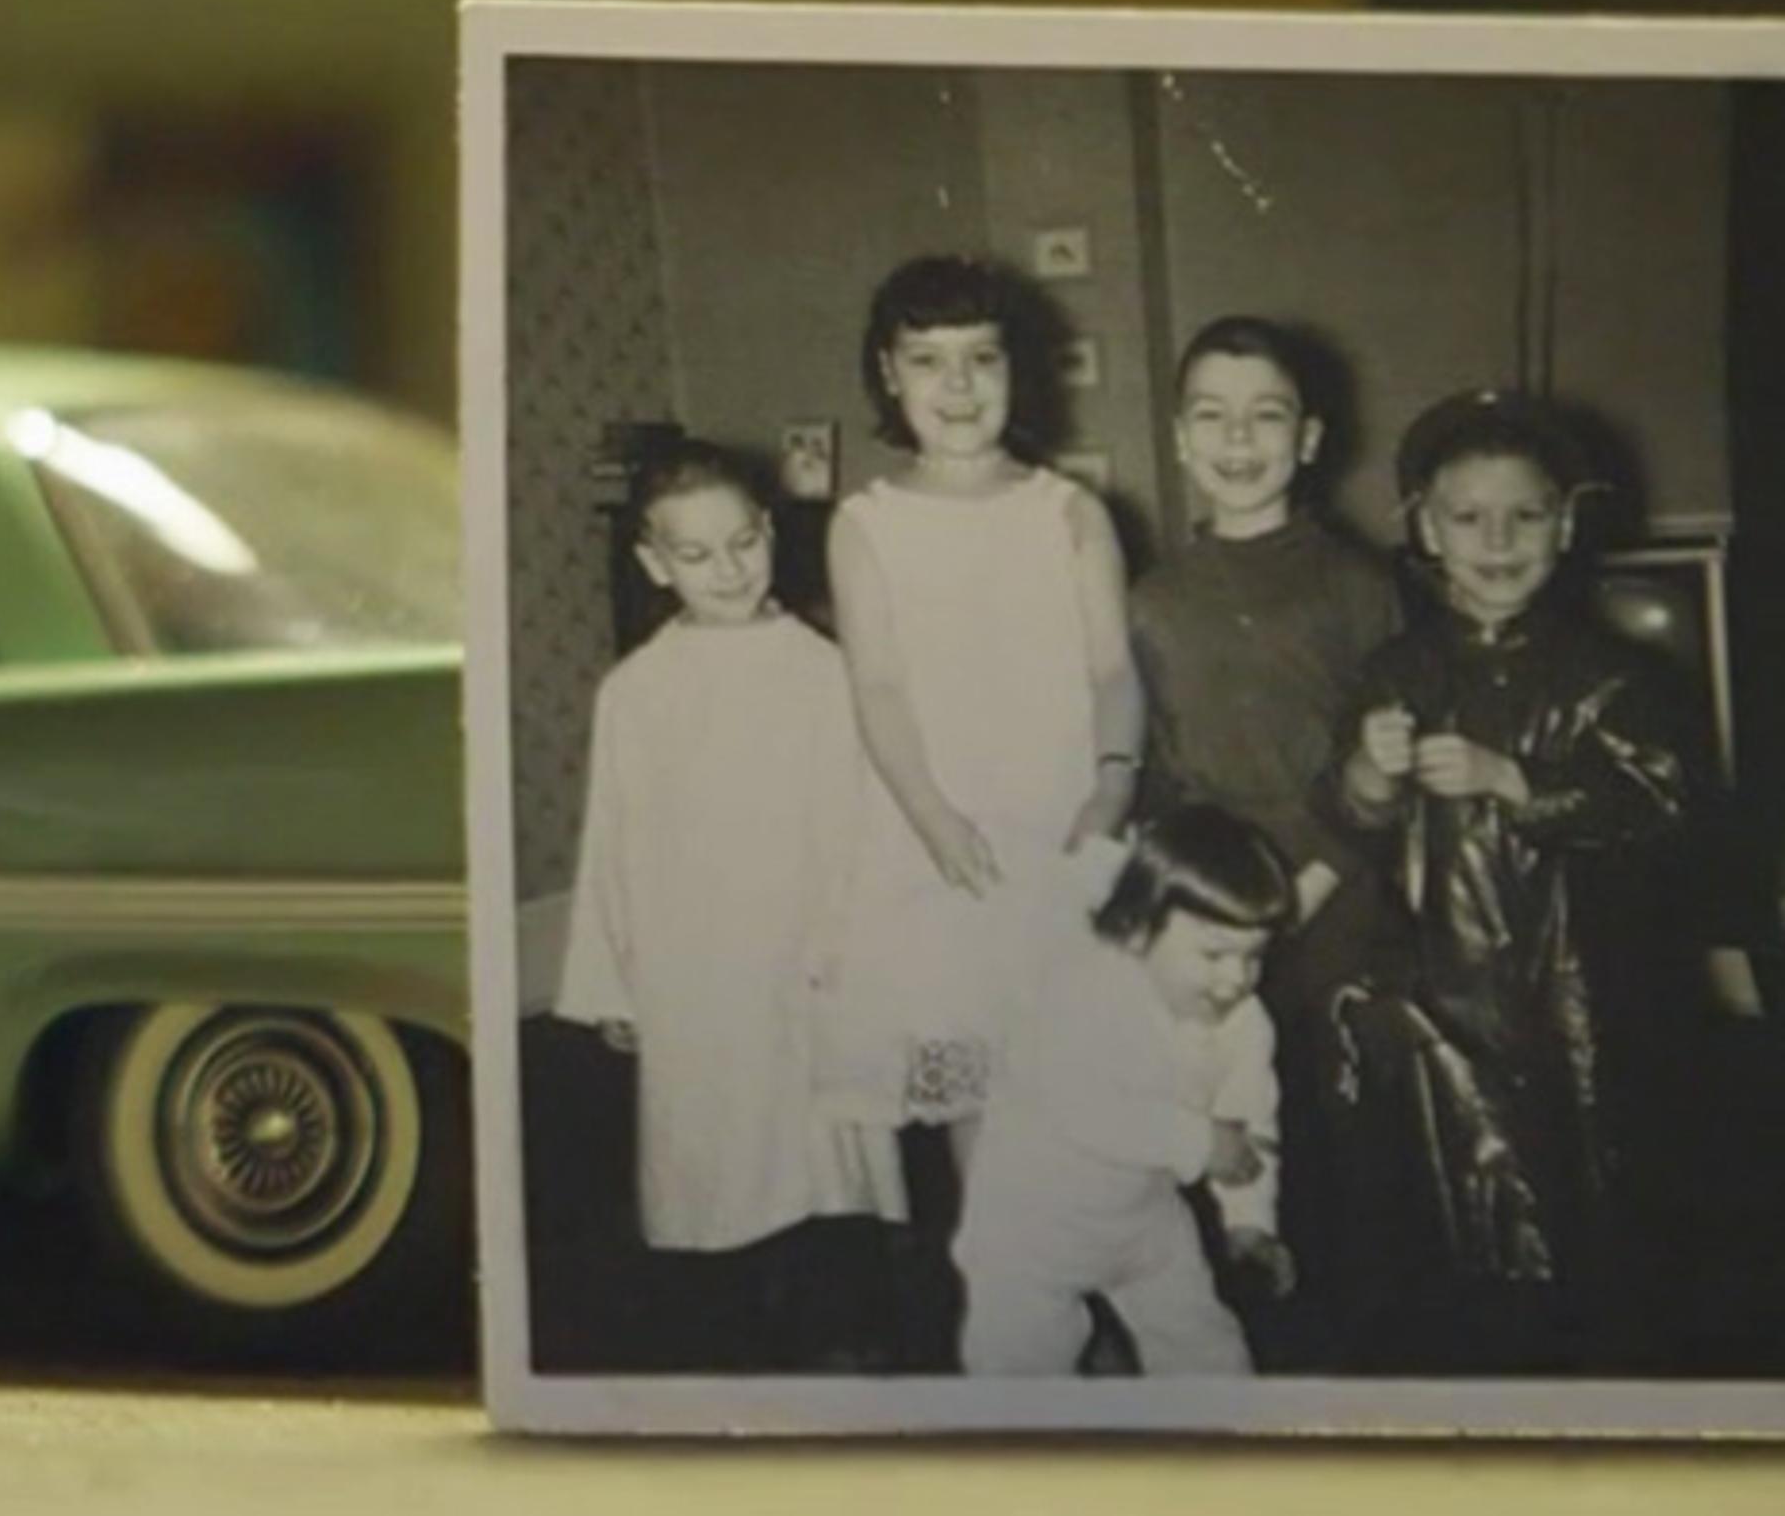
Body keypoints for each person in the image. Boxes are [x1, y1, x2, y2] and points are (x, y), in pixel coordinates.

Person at [1331, 389, 1704, 1373]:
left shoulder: (1609, 674)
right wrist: (1370, 770)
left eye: (1526, 515)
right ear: (1423, 526)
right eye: (1467, 517)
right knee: (1454, 1235)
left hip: (1576, 1000)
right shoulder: (1395, 669)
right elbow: (1354, 816)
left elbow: (1662, 806)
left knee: (1589, 1229)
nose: (1497, 540)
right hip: (1439, 1001)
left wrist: (1517, 779)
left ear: (1567, 523)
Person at [824, 256, 1142, 1192]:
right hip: (941, 842)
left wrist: (1114, 782)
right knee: (979, 1091)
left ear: (1018, 369)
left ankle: (1106, 1289)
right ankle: (1012, 1306)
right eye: (928, 361)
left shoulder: (1072, 512)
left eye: (982, 359)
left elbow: (1112, 668)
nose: (957, 387)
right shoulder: (866, 523)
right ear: (888, 373)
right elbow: (877, 689)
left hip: (1063, 826)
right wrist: (931, 817)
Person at [1124, 315, 1402, 1364]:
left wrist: (1314, 881)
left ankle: (1354, 1366)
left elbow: (1389, 763)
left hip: (1336, 885)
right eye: (1213, 415)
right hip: (1204, 907)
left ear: (1312, 435)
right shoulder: (1153, 597)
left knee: (1334, 1133)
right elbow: (1153, 764)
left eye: (1267, 414)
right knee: (1220, 1130)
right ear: (1183, 436)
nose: (1240, 439)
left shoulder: (1357, 583)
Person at [556, 443, 879, 1310]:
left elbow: (855, 820)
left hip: (806, 950)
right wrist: (610, 985)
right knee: (716, 1163)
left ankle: (837, 1317)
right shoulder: (636, 692)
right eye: (694, 556)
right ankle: (735, 1324)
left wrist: (854, 945)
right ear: (654, 564)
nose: (727, 570)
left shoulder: (824, 672)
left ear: (769, 532)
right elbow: (613, 846)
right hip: (690, 963)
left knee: (822, 1164)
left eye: (743, 543)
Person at [954, 808, 1295, 1377]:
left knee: (1203, 1342)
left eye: (1253, 957)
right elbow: (1082, 1107)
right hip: (1029, 1224)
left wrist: (1250, 1221)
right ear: (1138, 931)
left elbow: (1249, 1121)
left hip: (1144, 1220)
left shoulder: (1243, 1021)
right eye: (1213, 954)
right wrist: (1198, 1141)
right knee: (1020, 1361)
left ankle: (1224, 1434)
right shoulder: (1089, 992)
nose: (1235, 979)